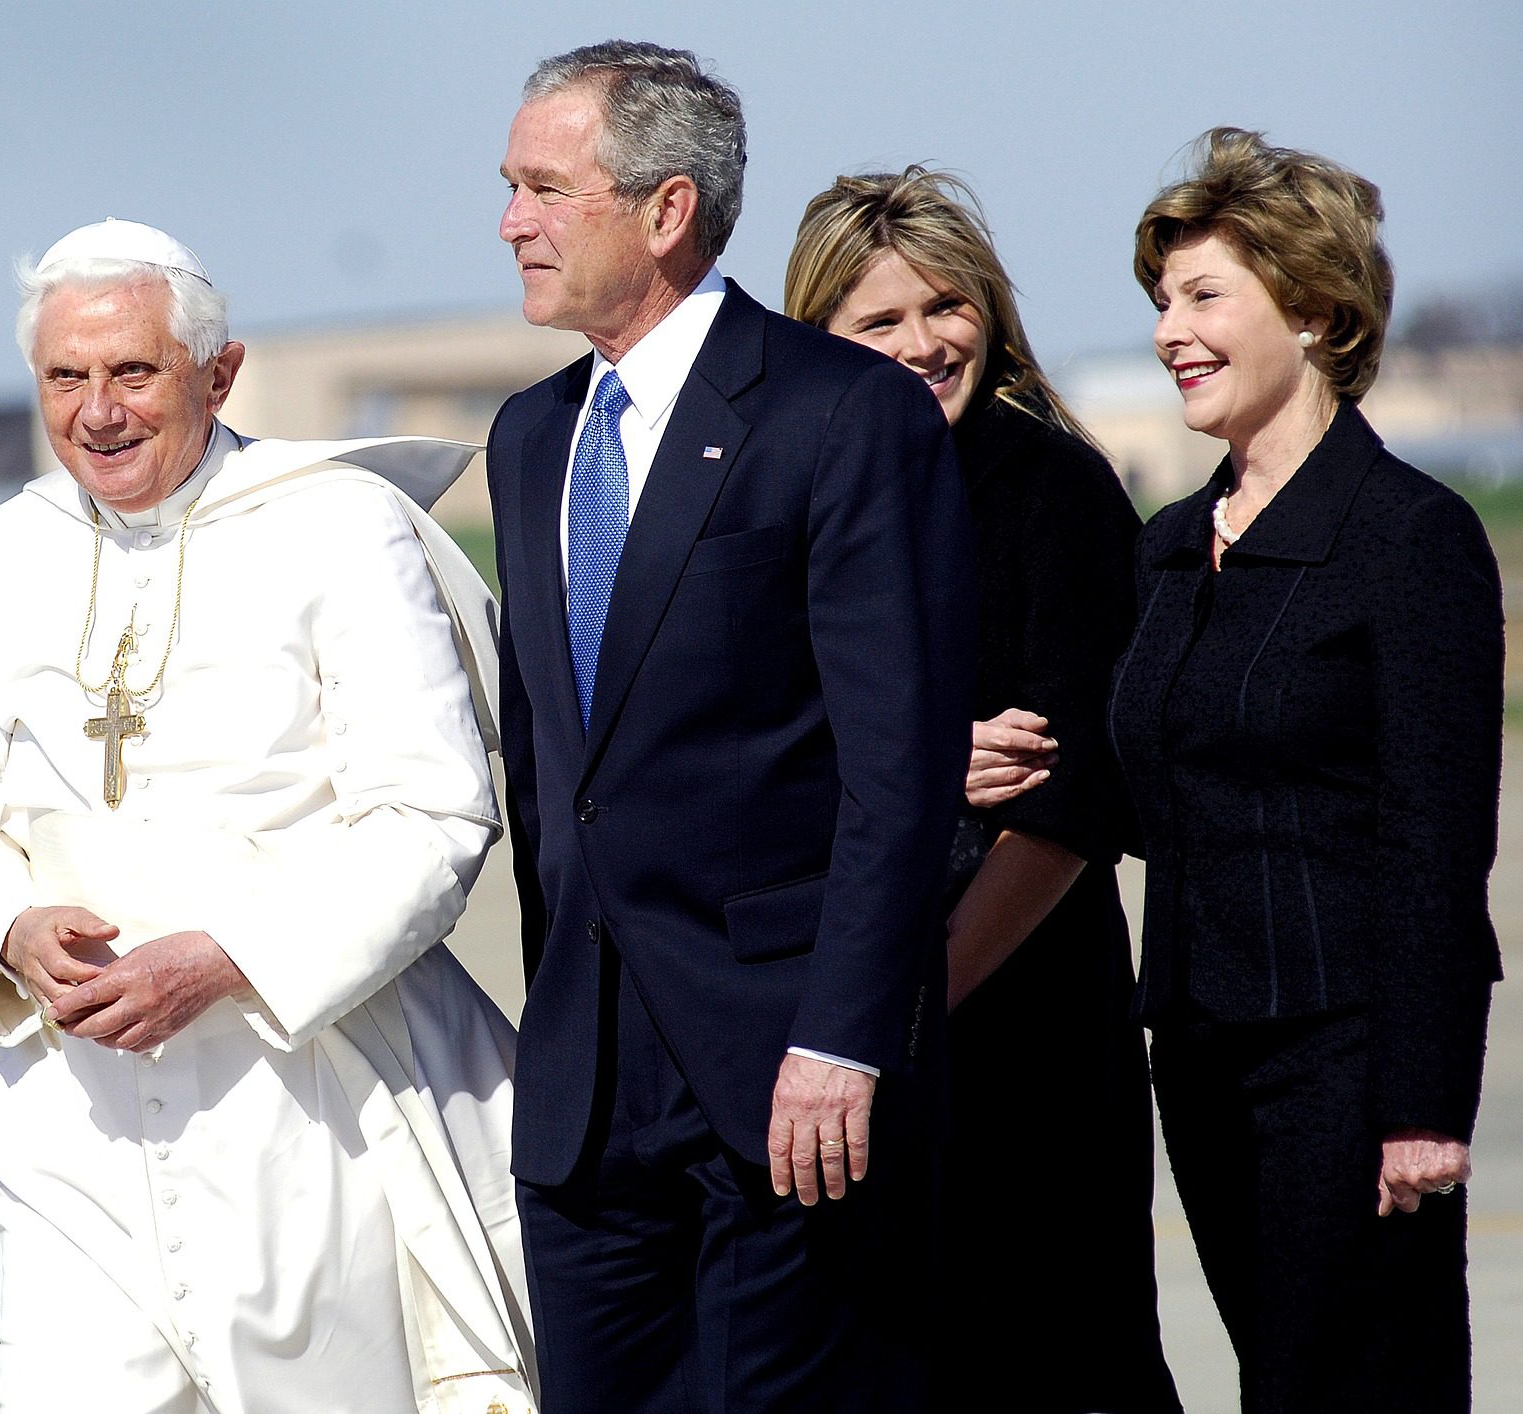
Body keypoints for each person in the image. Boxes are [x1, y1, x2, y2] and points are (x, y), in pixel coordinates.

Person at [0, 218, 534, 1414]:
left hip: (305, 1096)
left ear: (219, 374)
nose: (98, 412)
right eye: (65, 379)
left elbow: (435, 815)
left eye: (133, 372)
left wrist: (230, 956)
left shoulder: (340, 527)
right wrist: (6, 928)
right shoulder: (8, 550)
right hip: (70, 1118)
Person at [488, 42, 976, 1410]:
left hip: (782, 1071)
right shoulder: (532, 437)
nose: (511, 220)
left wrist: (843, 1034)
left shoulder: (842, 414)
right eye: (509, 186)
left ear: (666, 209)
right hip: (586, 1090)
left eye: (544, 188)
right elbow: (554, 769)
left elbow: (902, 768)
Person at [1109, 128, 1503, 1411]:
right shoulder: (1171, 547)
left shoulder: (1410, 538)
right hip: (1204, 1059)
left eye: (1205, 295)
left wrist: (1424, 1105)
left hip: (1346, 1065)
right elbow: (1146, 786)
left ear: (1320, 312)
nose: (1172, 328)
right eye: (1163, 300)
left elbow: (1438, 842)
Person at [785, 165, 1181, 1413]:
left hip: (1022, 1023)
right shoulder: (782, 505)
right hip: (836, 1028)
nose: (922, 343)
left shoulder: (1055, 488)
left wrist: (913, 1007)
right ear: (818, 342)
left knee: (1066, 1360)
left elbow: (1073, 800)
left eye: (945, 307)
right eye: (878, 322)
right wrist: (912, 766)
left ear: (993, 314)